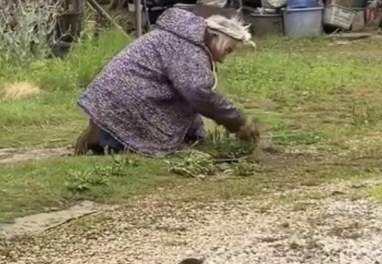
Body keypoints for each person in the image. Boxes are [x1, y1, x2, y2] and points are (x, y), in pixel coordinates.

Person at [74, 9, 258, 157]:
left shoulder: (184, 38)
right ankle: (102, 137)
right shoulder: (189, 49)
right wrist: (238, 121)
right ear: (215, 38)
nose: (223, 59)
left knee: (187, 118)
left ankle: (103, 130)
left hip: (122, 93)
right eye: (227, 50)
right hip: (127, 100)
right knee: (126, 141)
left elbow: (188, 98)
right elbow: (199, 93)